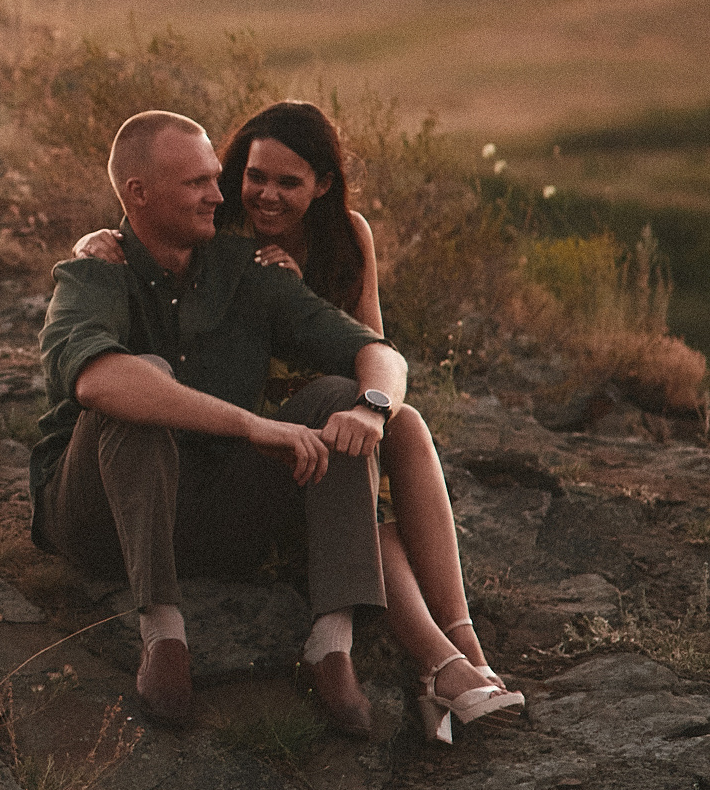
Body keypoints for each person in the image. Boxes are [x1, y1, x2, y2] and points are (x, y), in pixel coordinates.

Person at [70, 100, 522, 743]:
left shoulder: (347, 237)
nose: (266, 195)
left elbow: (370, 344)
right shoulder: (215, 229)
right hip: (255, 422)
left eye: (290, 182)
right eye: (255, 176)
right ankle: (441, 666)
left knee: (401, 423)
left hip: (329, 408)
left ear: (324, 185)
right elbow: (143, 228)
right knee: (360, 481)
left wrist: (368, 402)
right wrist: (93, 242)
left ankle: (463, 650)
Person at [30, 109, 404, 736]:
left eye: (214, 178)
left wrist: (372, 407)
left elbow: (376, 352)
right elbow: (97, 380)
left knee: (337, 394)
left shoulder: (247, 272)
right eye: (197, 184)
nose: (218, 194)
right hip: (100, 523)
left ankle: (331, 643)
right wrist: (255, 427)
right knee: (137, 384)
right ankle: (163, 633)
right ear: (138, 194)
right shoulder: (94, 274)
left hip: (215, 514)